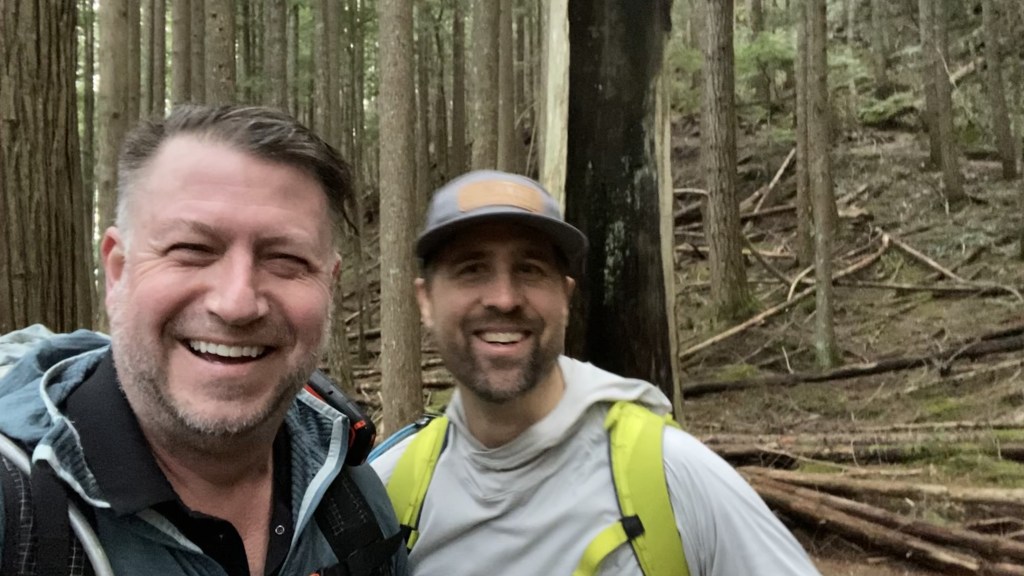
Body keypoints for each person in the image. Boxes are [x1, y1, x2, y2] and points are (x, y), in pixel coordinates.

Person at [0, 105, 407, 576]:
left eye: (286, 259)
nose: (237, 304)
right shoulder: (18, 512)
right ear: (117, 272)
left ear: (329, 286)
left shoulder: (354, 500)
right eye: (192, 250)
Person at [370, 170, 821, 575]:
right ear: (425, 301)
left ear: (566, 297)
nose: (504, 298)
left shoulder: (673, 477)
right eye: (472, 270)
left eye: (530, 269)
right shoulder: (388, 493)